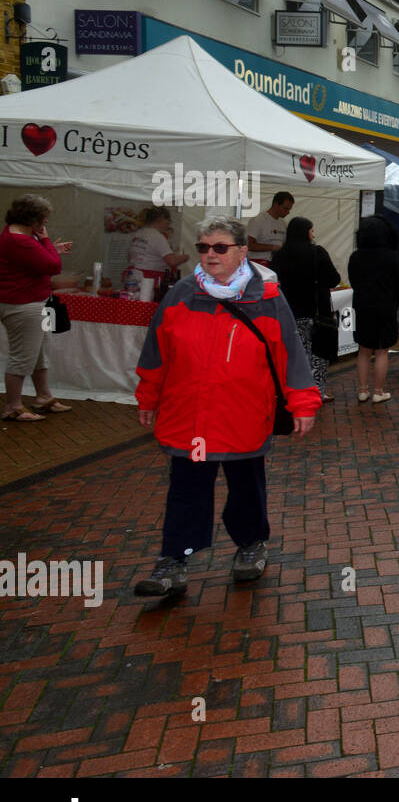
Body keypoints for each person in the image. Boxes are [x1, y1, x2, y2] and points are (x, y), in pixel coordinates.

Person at [133, 216, 319, 597]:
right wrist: (148, 396)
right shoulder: (182, 293)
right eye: (203, 247)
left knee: (245, 486)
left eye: (220, 247)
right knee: (187, 487)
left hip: (243, 414)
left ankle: (251, 545)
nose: (209, 254)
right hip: (191, 417)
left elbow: (289, 353)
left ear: (242, 251)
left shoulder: (266, 297)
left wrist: (303, 402)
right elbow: (156, 352)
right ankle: (175, 559)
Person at [1, 194, 73, 421]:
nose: (45, 223)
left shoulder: (15, 235)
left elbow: (38, 261)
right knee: (22, 357)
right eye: (43, 218)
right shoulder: (20, 240)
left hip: (32, 303)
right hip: (24, 305)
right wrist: (47, 243)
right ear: (32, 218)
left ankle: (43, 396)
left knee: (39, 354)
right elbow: (53, 266)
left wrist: (48, 247)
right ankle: (12, 406)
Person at [270, 217, 341, 403]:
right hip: (317, 313)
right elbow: (334, 279)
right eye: (311, 230)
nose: (314, 234)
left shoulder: (280, 255)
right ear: (306, 232)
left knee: (294, 356)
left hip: (289, 314)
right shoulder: (317, 252)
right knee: (318, 355)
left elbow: (274, 283)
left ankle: (294, 391)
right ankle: (316, 392)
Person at [347, 216, 399, 405]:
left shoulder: (356, 256)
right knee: (381, 351)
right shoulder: (391, 256)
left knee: (363, 350)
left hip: (361, 306)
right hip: (385, 307)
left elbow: (353, 281)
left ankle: (362, 390)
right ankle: (378, 391)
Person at [126, 207, 188, 293]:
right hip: (150, 279)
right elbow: (172, 261)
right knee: (150, 304)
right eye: (168, 222)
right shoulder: (157, 237)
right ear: (161, 219)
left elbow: (130, 257)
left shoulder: (139, 233)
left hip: (134, 276)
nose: (168, 225)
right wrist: (185, 257)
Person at [246, 192, 294, 266]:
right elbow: (249, 245)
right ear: (276, 204)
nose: (288, 212)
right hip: (258, 263)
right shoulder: (258, 220)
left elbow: (284, 244)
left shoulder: (283, 223)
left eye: (289, 209)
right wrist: (272, 247)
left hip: (276, 262)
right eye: (285, 208)